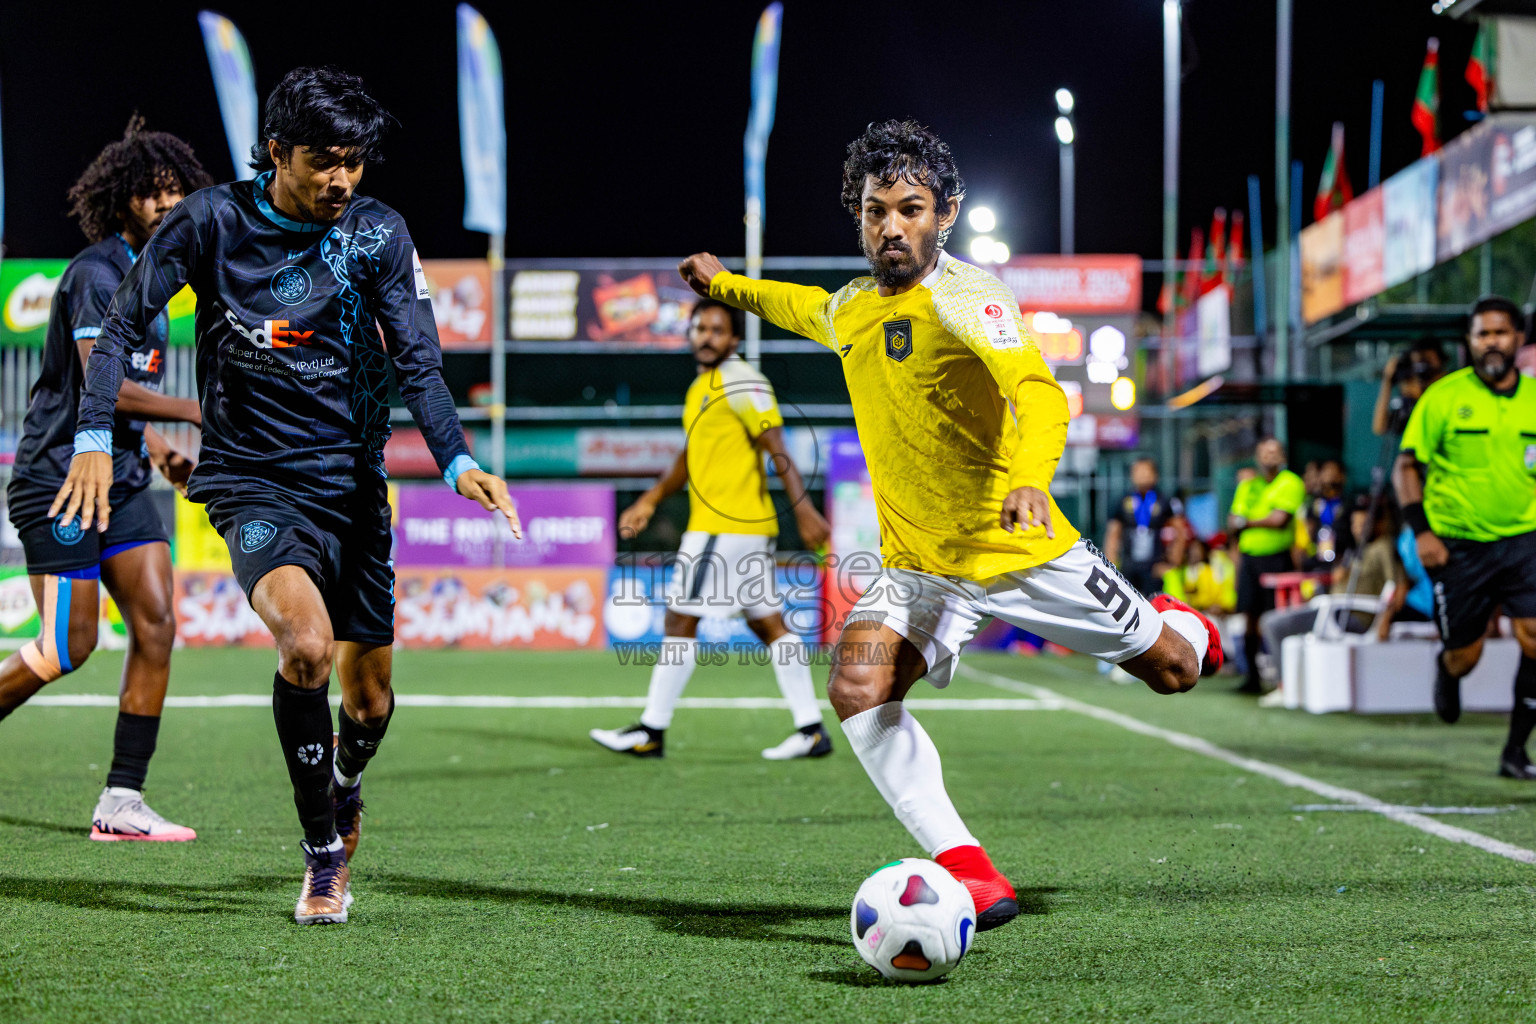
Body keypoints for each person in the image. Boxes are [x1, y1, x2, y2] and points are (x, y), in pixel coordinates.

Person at [677, 119, 1221, 933]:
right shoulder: (854, 308)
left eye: (911, 208)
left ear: (947, 213)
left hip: (1017, 547)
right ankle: (969, 869)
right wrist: (726, 286)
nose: (891, 226)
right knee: (858, 683)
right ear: (858, 218)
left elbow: (1036, 392)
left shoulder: (972, 299)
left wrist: (1032, 480)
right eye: (874, 211)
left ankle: (1179, 621)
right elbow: (800, 307)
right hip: (919, 566)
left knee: (1175, 670)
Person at [51, 68, 521, 923]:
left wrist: (457, 461)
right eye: (323, 162)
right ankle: (322, 856)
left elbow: (417, 358)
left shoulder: (378, 234)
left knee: (369, 702)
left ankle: (344, 783)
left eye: (355, 162)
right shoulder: (212, 221)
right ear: (277, 153)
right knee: (303, 644)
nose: (342, 179)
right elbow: (119, 325)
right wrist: (90, 438)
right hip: (250, 477)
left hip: (351, 487)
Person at [0, 119, 208, 840]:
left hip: (120, 481)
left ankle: (122, 802)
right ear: (121, 200)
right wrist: (192, 412)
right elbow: (103, 382)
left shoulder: (156, 282)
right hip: (60, 479)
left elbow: (122, 398)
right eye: (151, 192)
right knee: (67, 647)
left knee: (156, 623)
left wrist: (155, 447)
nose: (165, 202)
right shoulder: (97, 272)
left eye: (177, 191)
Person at [590, 299, 834, 760]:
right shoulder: (702, 386)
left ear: (734, 339)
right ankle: (811, 731)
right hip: (735, 529)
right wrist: (650, 499)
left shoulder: (741, 380)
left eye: (716, 330)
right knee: (769, 626)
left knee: (680, 618)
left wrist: (802, 508)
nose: (705, 336)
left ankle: (651, 730)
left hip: (725, 527)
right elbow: (688, 460)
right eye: (699, 328)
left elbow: (775, 441)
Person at [1393, 295, 1536, 779]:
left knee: (1535, 638)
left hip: (1525, 540)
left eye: (1500, 332)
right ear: (1470, 342)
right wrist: (1422, 534)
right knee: (1466, 655)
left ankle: (1516, 752)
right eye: (1481, 334)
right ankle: (1447, 668)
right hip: (1458, 546)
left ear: (1519, 337)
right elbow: (1406, 467)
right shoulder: (1444, 396)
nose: (1491, 341)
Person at [1227, 437, 1306, 693]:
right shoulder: (1248, 486)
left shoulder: (1291, 482)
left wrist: (1246, 522)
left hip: (1277, 558)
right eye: (1264, 451)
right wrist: (1245, 524)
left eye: (1274, 451)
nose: (1269, 456)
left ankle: (1284, 680)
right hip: (1250, 559)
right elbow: (1232, 519)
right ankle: (1252, 677)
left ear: (1282, 456)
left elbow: (1279, 520)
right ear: (1257, 456)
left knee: (1277, 618)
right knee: (1249, 617)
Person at [1102, 456, 1182, 597]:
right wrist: (1110, 566)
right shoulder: (1122, 500)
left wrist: (1173, 562)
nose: (1142, 475)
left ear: (1155, 475)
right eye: (1138, 472)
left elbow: (1180, 531)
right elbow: (1113, 534)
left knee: (1155, 604)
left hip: (1155, 565)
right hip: (1128, 564)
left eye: (1146, 471)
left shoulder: (1165, 500)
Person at [1373, 338, 1447, 437]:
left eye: (1427, 363)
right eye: (1417, 366)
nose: (1422, 372)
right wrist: (1387, 381)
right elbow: (1379, 428)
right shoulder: (1408, 404)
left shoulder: (1449, 390)